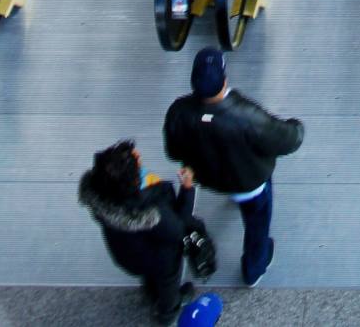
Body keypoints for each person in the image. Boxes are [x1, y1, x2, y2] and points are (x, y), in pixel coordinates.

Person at [164, 47, 304, 291]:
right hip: (249, 183)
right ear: (224, 78)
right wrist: (297, 126)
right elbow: (287, 139)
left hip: (210, 178)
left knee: (232, 185)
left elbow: (173, 151)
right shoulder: (247, 116)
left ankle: (233, 200)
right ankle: (254, 268)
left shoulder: (178, 112)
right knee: (257, 224)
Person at [79, 140, 204, 322]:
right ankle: (167, 313)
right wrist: (187, 188)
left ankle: (150, 291)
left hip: (125, 254)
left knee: (148, 273)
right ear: (133, 179)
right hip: (159, 259)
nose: (138, 155)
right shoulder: (150, 209)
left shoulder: (99, 196)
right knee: (168, 281)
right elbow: (178, 228)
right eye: (134, 159)